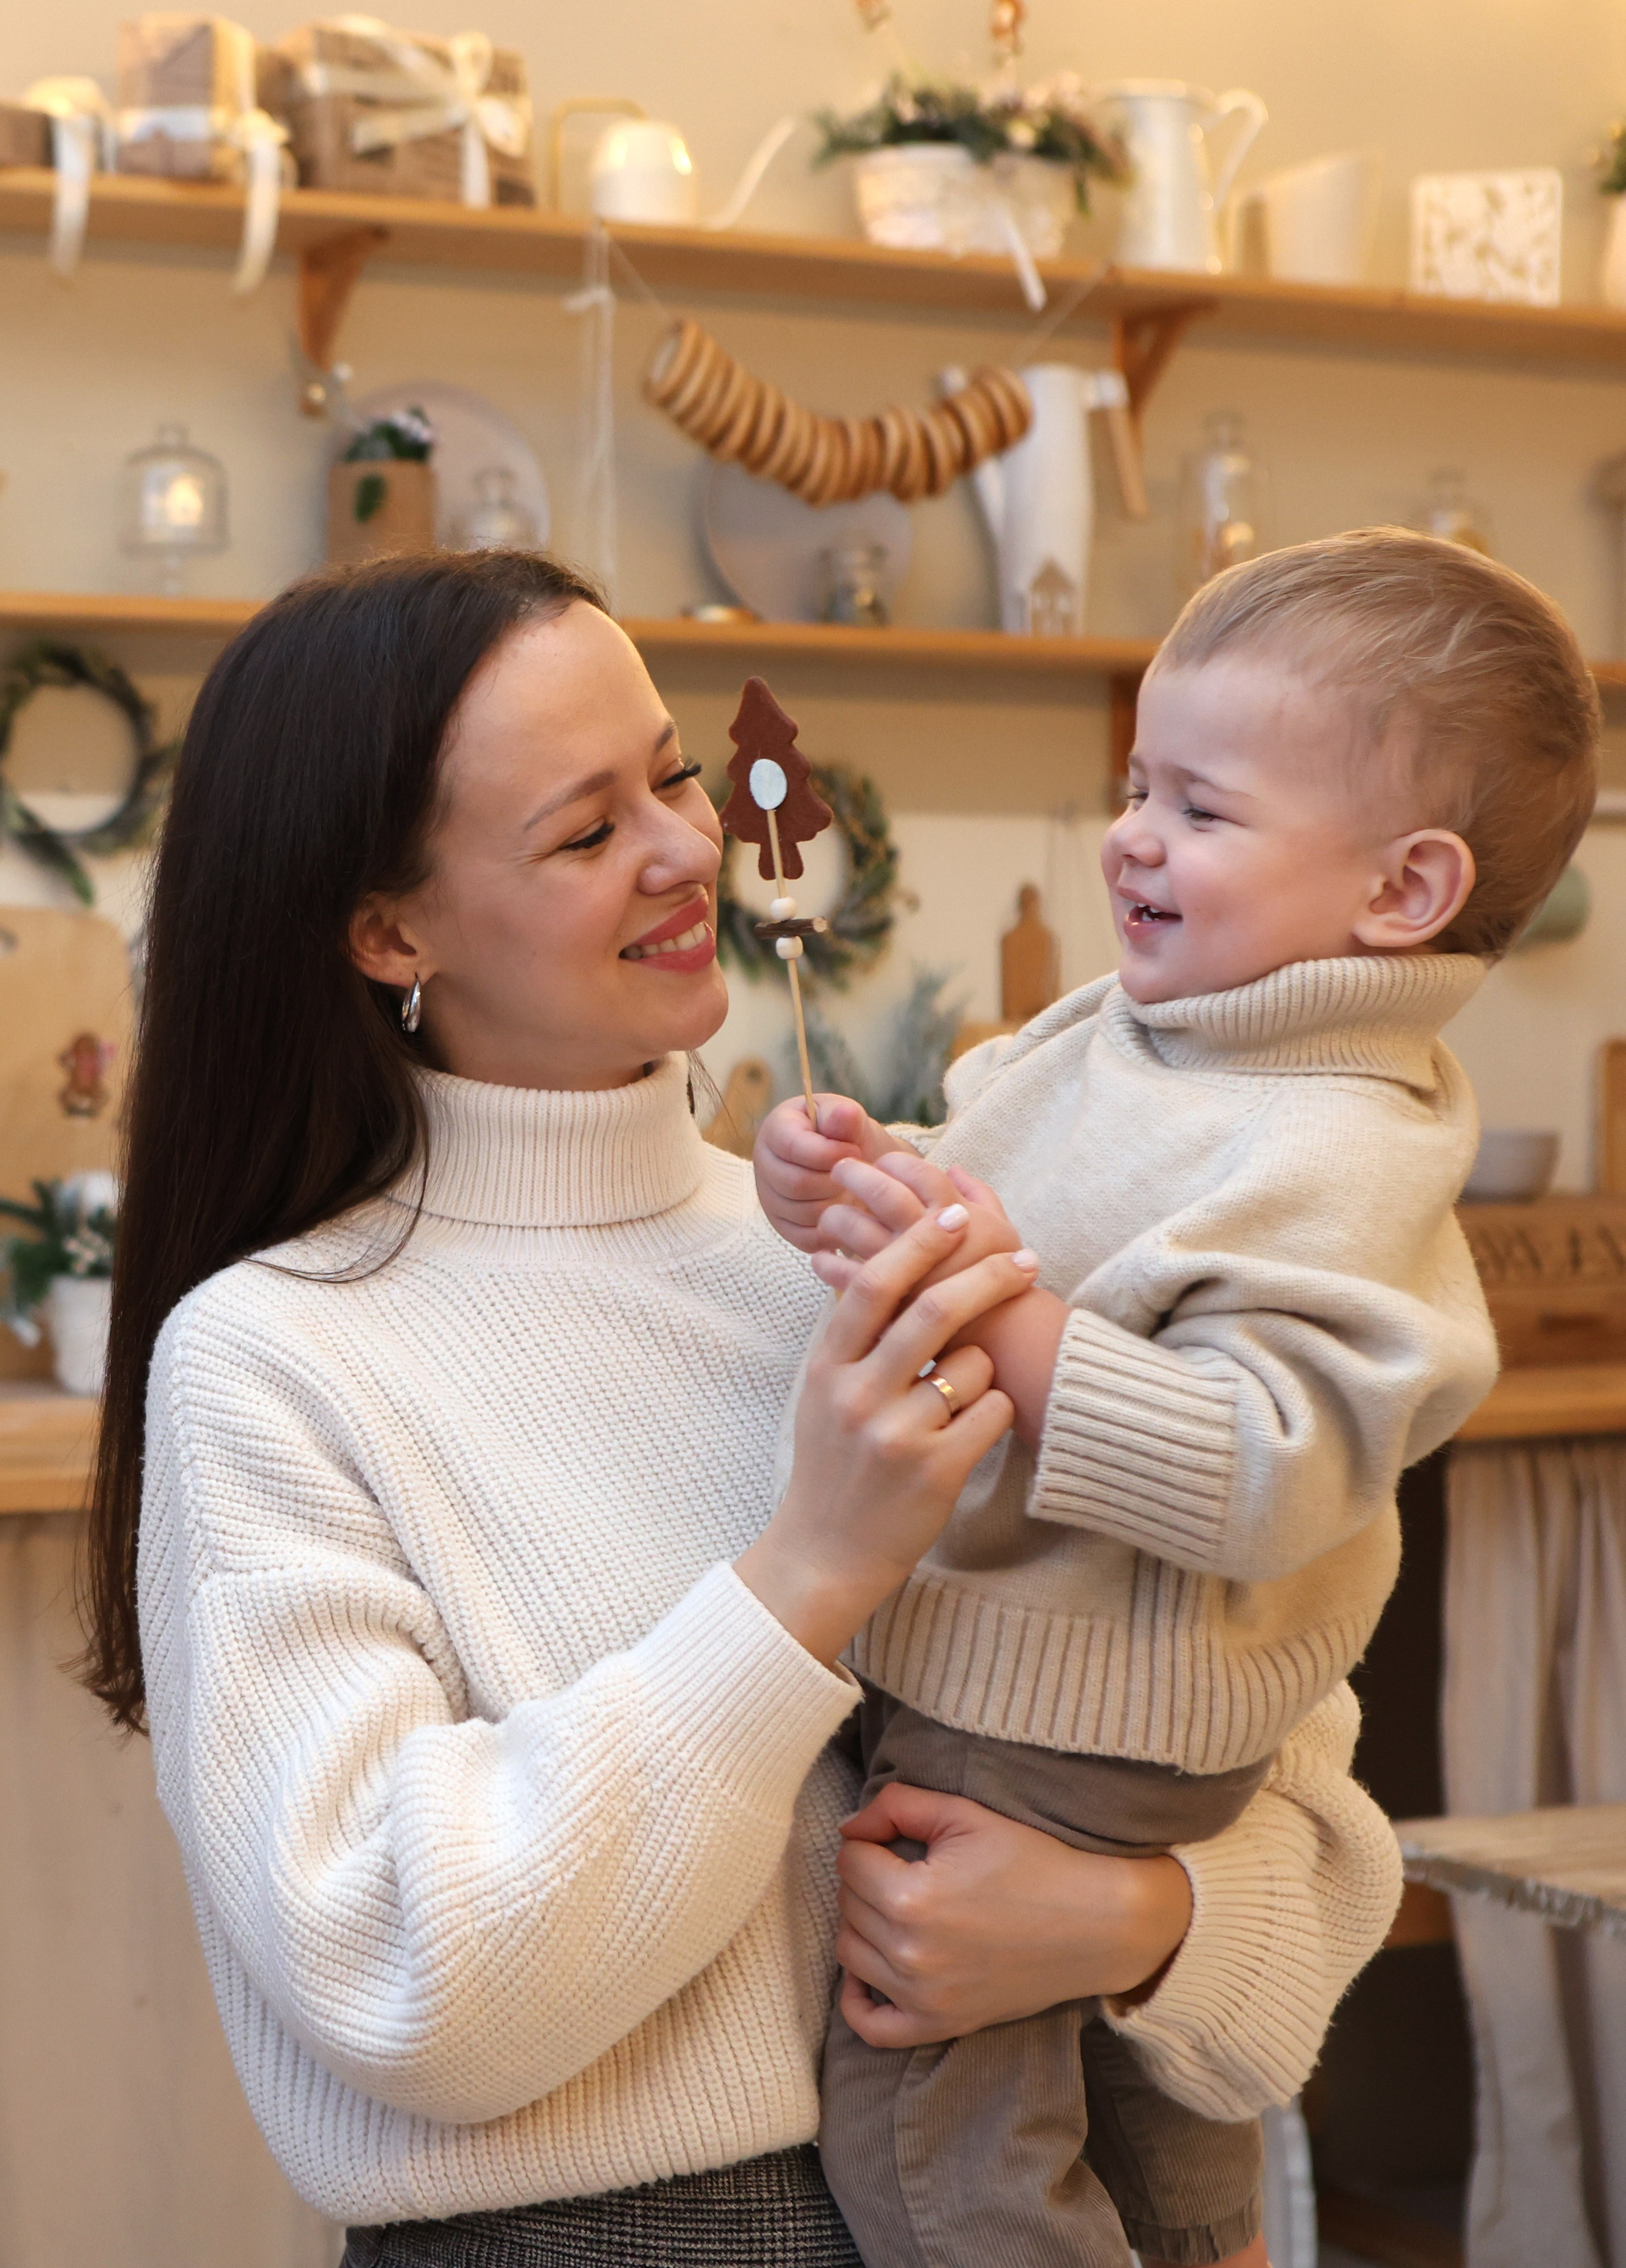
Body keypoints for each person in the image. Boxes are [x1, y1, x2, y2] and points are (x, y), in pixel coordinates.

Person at [84, 551, 1404, 2268]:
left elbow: (1290, 1766)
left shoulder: (903, 1242)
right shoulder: (277, 1361)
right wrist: (809, 1576)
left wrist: (1140, 1925)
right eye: (583, 832)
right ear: (390, 929)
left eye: (678, 774)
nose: (691, 849)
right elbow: (398, 1976)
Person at [756, 530, 1599, 2268]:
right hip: (1032, 1691)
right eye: (1137, 784)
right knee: (1167, 2153)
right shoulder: (1135, 1029)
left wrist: (992, 1310)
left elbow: (1262, 1465)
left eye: (1201, 809)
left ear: (1405, 893)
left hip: (1075, 1725)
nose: (1133, 835)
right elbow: (989, 1181)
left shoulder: (1344, 1140)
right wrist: (858, 1180)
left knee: (934, 2140)